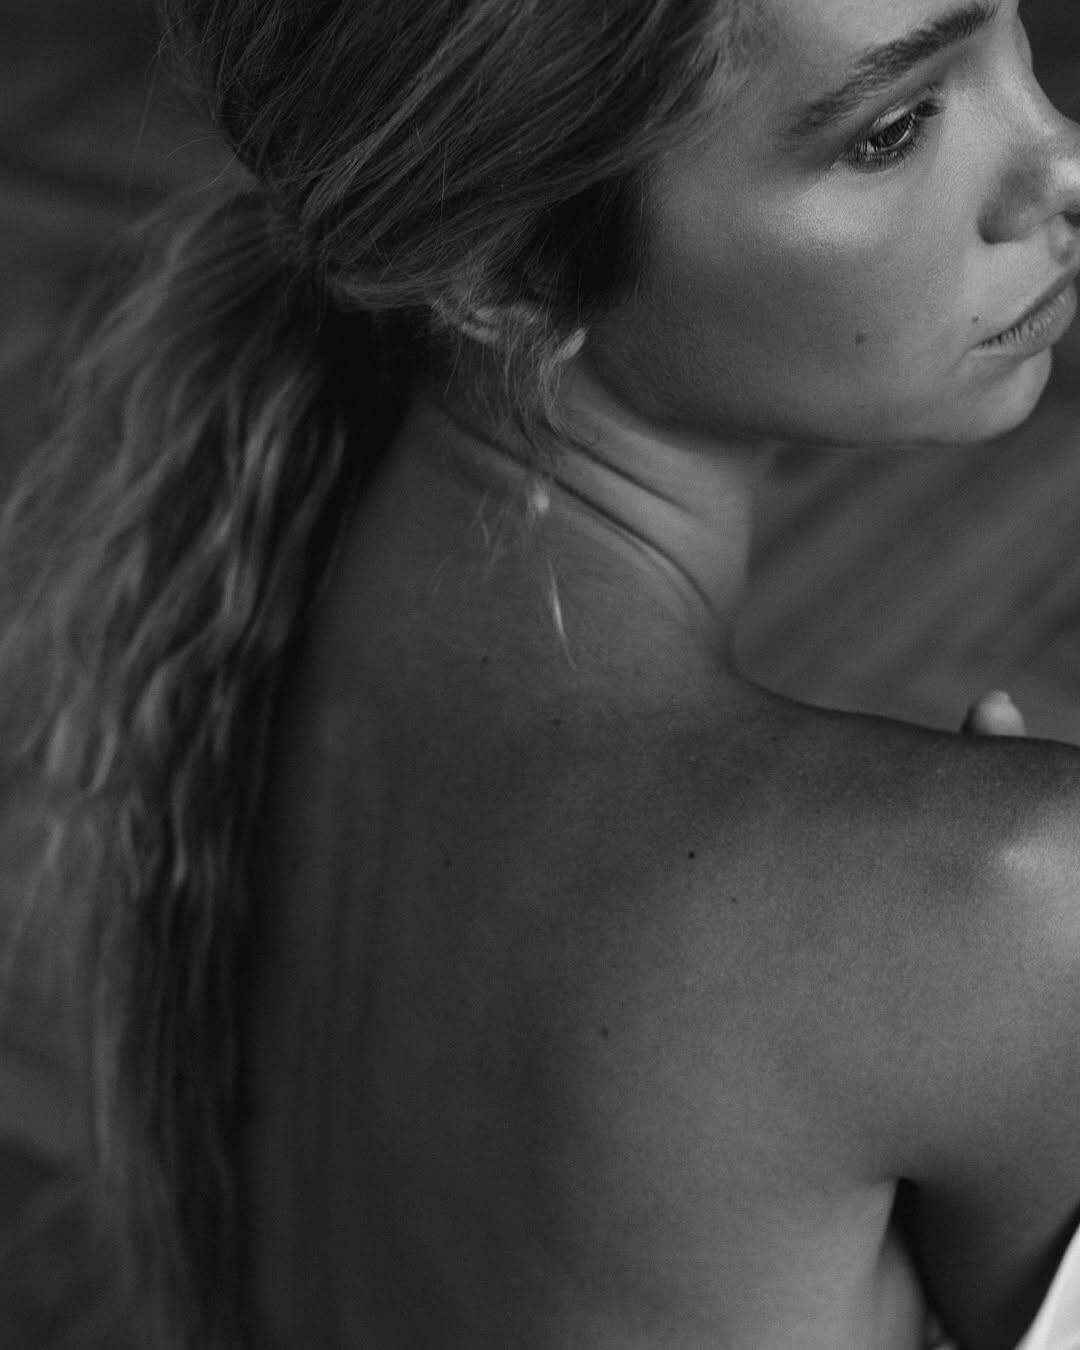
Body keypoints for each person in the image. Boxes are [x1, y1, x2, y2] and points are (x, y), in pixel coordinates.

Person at [2, 0, 1080, 1347]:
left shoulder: (285, 584)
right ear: (507, 269)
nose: (1061, 163)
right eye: (894, 128)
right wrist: (986, 924)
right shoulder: (1001, 909)